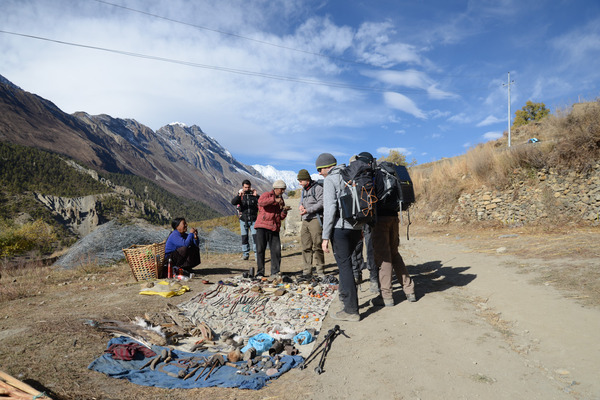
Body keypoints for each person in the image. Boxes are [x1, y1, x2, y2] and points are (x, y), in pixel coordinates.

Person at [318, 152, 362, 322]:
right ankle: (345, 300)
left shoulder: (331, 179)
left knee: (344, 268)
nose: (320, 174)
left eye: (320, 170)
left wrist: (325, 236)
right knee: (351, 264)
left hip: (341, 228)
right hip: (357, 227)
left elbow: (329, 210)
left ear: (325, 167)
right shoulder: (351, 174)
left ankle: (351, 310)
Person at [371, 161, 416, 307]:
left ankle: (387, 296)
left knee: (384, 257)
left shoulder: (375, 174)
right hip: (394, 217)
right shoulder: (394, 173)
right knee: (395, 254)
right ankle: (410, 291)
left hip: (380, 220)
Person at [254, 180, 290, 277]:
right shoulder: (267, 195)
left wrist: (284, 211)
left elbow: (281, 216)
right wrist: (274, 200)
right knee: (260, 249)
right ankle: (260, 272)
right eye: (281, 189)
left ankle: (275, 272)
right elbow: (261, 202)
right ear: (276, 188)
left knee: (276, 251)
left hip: (274, 227)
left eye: (284, 190)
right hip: (262, 226)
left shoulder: (281, 199)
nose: (283, 191)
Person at [297, 168, 325, 276]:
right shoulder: (303, 190)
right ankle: (307, 270)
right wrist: (301, 206)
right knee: (305, 246)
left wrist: (308, 210)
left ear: (306, 180)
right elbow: (301, 201)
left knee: (317, 245)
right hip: (305, 220)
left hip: (315, 219)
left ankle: (320, 270)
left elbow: (321, 203)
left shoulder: (317, 188)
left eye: (301, 181)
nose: (299, 183)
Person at [231, 180, 259, 260]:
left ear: (250, 187)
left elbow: (261, 202)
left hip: (254, 220)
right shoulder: (240, 196)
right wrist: (239, 196)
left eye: (248, 187)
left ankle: (257, 255)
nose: (247, 189)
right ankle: (245, 254)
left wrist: (256, 196)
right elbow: (233, 202)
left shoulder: (253, 195)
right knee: (244, 237)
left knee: (255, 238)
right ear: (243, 187)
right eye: (245, 187)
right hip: (243, 220)